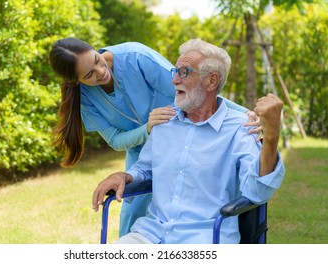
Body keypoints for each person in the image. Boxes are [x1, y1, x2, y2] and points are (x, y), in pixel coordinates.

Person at [49, 38, 258, 237]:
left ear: (95, 49)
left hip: (179, 138)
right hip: (140, 153)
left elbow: (198, 89)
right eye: (89, 75)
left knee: (194, 204)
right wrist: (147, 129)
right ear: (76, 82)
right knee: (131, 216)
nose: (101, 72)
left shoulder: (136, 57)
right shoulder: (84, 98)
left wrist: (245, 114)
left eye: (97, 60)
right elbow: (115, 140)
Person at [92, 38, 285, 244]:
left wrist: (271, 137)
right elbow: (145, 170)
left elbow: (258, 191)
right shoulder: (164, 121)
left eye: (184, 72)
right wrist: (125, 176)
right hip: (151, 233)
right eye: (174, 72)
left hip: (205, 238)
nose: (174, 80)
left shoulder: (240, 128)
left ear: (211, 81)